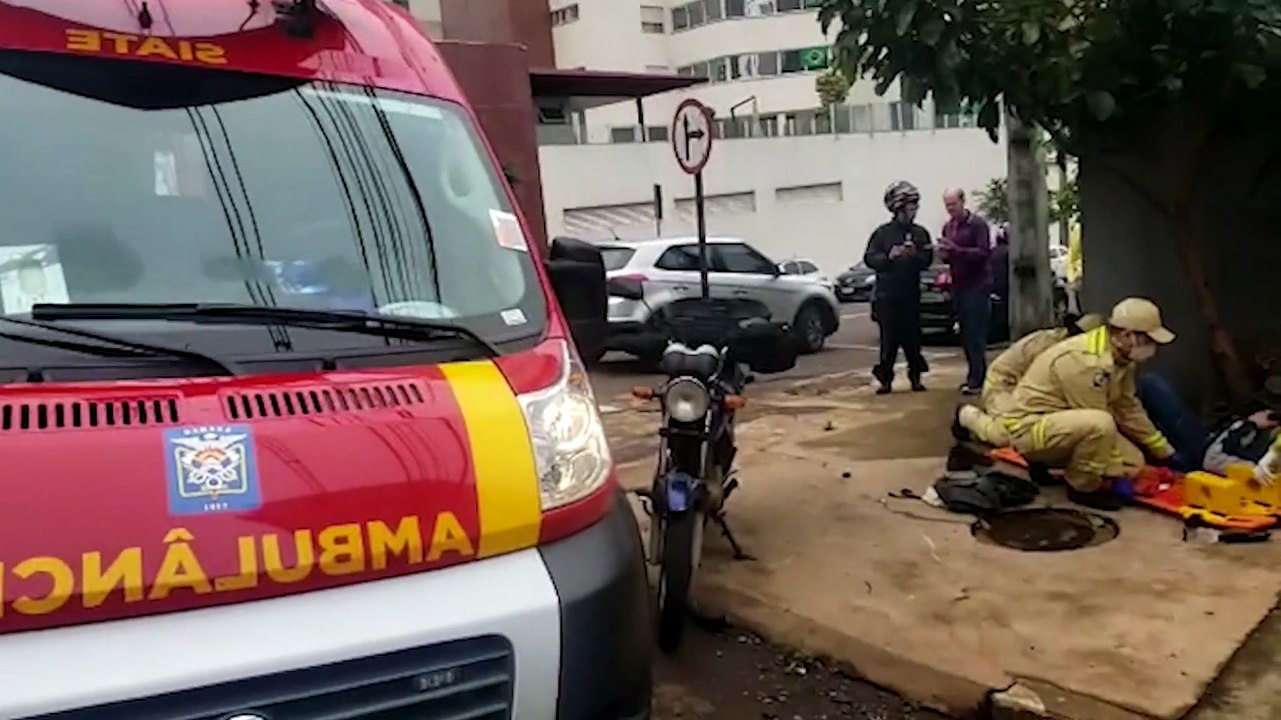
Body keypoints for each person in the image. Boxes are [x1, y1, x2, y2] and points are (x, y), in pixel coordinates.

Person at [996, 297, 1177, 510]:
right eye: (1149, 341)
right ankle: (1082, 486)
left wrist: (1163, 450)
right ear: (1127, 336)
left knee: (1134, 463)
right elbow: (1098, 421)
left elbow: (1127, 407)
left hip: (1063, 425)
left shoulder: (1121, 359)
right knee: (1101, 425)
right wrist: (1115, 473)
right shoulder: (1083, 362)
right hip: (1029, 429)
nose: (1152, 348)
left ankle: (1049, 462)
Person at [955, 312, 1104, 447]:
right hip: (1005, 386)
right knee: (1008, 436)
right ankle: (966, 414)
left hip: (1031, 393)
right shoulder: (1049, 346)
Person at [865, 181, 933, 394]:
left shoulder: (920, 233)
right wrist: (889, 257)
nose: (915, 211)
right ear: (898, 208)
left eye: (916, 206)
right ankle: (886, 380)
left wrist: (916, 255)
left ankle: (916, 378)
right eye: (911, 207)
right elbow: (869, 258)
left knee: (913, 339)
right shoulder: (882, 234)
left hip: (910, 294)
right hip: (887, 296)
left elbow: (928, 258)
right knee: (889, 341)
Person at [938, 189, 992, 395]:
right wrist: (944, 254)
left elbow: (983, 253)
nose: (950, 209)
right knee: (965, 334)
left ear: (963, 202)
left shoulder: (977, 225)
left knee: (976, 333)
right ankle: (973, 375)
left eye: (953, 204)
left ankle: (979, 378)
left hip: (977, 285)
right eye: (947, 205)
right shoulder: (948, 227)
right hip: (958, 285)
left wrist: (955, 251)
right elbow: (949, 257)